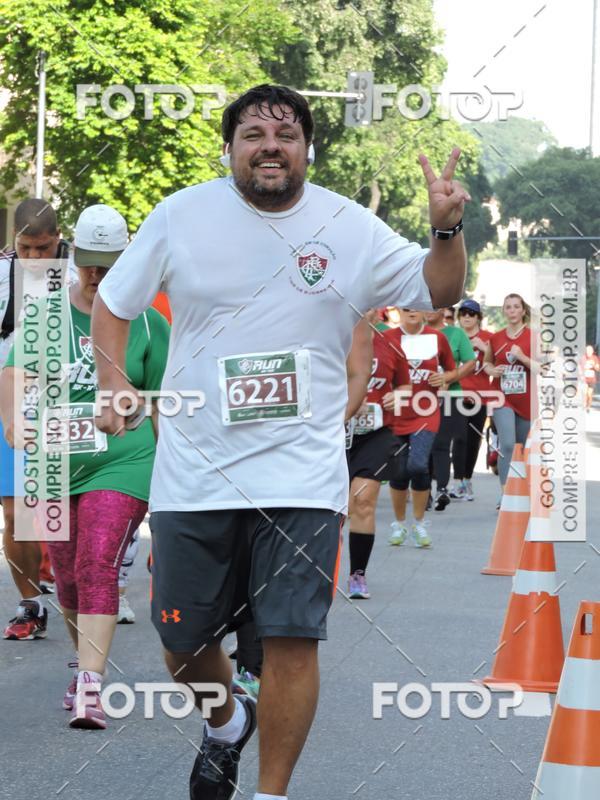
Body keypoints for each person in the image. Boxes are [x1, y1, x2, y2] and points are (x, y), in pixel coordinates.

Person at [91, 84, 468, 800]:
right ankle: (228, 720)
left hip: (301, 476)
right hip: (194, 474)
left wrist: (445, 230)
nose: (271, 145)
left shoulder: (347, 225)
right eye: (254, 134)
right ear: (230, 149)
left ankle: (271, 794)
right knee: (181, 644)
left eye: (287, 133)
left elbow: (436, 290)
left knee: (294, 638)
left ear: (307, 148)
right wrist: (114, 383)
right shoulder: (181, 215)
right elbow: (114, 303)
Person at [0, 204, 170, 728]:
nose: (97, 275)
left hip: (122, 460)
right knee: (69, 576)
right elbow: (14, 375)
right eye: (91, 263)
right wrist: (12, 420)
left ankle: (93, 686)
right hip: (52, 465)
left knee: (98, 559)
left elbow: (166, 399)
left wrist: (171, 479)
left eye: (109, 264)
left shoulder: (146, 321)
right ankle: (83, 664)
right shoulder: (48, 314)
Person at [1, 198, 72, 640]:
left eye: (42, 248)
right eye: (25, 248)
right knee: (16, 511)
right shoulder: (2, 274)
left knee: (62, 514)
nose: (32, 258)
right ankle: (30, 604)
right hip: (10, 402)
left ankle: (83, 599)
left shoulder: (84, 273)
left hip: (65, 403)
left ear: (57, 240)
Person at [346, 310, 410, 598]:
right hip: (333, 434)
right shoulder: (332, 337)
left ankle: (357, 574)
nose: (366, 309)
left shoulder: (391, 343)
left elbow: (406, 384)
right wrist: (347, 401)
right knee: (332, 510)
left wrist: (399, 395)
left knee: (363, 499)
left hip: (375, 433)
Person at [385, 309, 456, 547]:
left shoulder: (437, 337)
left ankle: (419, 523)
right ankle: (399, 524)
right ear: (398, 311)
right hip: (395, 414)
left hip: (426, 413)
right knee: (398, 471)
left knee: (417, 464)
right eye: (406, 308)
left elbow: (452, 368)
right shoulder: (388, 338)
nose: (412, 312)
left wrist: (444, 378)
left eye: (416, 307)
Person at [483, 293, 537, 503]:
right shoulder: (495, 338)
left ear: (523, 311)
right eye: (508, 307)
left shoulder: (534, 337)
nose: (512, 310)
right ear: (504, 311)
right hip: (501, 397)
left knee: (521, 448)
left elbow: (542, 368)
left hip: (526, 399)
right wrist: (492, 370)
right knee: (507, 444)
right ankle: (506, 495)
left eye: (516, 307)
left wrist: (522, 357)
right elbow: (486, 363)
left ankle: (519, 493)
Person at [425, 307, 475, 509]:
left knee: (442, 443)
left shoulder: (456, 333)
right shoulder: (414, 334)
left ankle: (442, 490)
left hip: (449, 395)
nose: (429, 311)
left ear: (444, 309)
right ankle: (423, 490)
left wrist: (450, 377)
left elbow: (470, 362)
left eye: (434, 307)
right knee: (423, 444)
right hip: (421, 397)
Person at [452, 299, 492, 500]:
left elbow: (501, 362)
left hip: (480, 396)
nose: (466, 317)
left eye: (471, 313)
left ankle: (467, 479)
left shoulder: (487, 338)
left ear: (478, 318)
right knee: (458, 438)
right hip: (458, 394)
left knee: (473, 440)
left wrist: (485, 349)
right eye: (463, 313)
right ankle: (457, 481)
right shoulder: (454, 336)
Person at [583, 344, 600, 411]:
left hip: (592, 379)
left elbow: (598, 369)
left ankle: (588, 406)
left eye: (589, 351)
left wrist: (594, 365)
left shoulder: (595, 358)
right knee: (584, 393)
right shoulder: (583, 358)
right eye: (587, 351)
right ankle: (584, 405)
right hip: (584, 379)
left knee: (589, 394)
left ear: (592, 351)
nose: (588, 352)